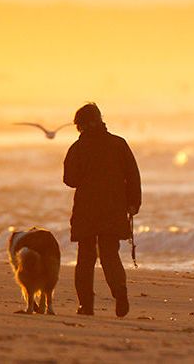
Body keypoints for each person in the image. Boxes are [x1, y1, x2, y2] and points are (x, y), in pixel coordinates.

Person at [63, 103, 141, 317]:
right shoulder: (118, 144)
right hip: (114, 209)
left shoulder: (78, 148)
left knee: (85, 258)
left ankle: (86, 306)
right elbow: (133, 176)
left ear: (80, 125)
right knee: (109, 255)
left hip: (86, 211)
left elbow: (69, 180)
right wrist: (134, 203)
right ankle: (120, 293)